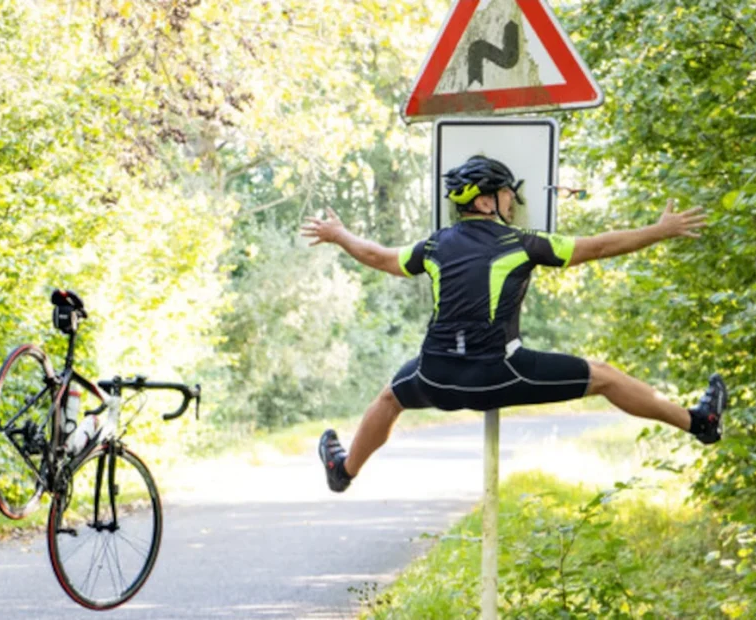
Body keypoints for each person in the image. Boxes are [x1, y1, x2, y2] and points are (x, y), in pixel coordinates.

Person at [300, 155, 728, 493]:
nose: (513, 202)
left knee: (389, 399)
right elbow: (597, 248)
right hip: (499, 374)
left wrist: (339, 234)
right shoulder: (523, 244)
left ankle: (344, 471)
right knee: (605, 378)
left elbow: (377, 257)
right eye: (507, 194)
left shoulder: (432, 245)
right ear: (486, 201)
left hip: (436, 376)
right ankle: (700, 423)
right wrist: (659, 230)